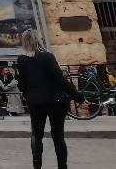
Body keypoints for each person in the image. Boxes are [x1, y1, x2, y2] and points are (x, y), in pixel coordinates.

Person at [16, 29, 84, 169]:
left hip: (35, 102)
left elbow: (22, 84)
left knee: (36, 134)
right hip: (55, 102)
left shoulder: (21, 60)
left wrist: (30, 96)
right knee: (58, 136)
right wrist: (78, 97)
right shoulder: (47, 57)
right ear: (39, 40)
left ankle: (37, 166)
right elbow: (61, 80)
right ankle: (62, 166)